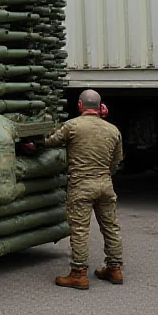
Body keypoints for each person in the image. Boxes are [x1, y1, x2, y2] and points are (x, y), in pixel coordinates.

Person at [41, 89, 124, 289]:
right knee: (111, 227)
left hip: (81, 186)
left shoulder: (73, 126)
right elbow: (117, 160)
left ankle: (78, 273)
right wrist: (104, 174)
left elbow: (48, 142)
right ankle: (115, 268)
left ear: (80, 105)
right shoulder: (113, 130)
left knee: (79, 229)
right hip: (105, 184)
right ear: (99, 106)